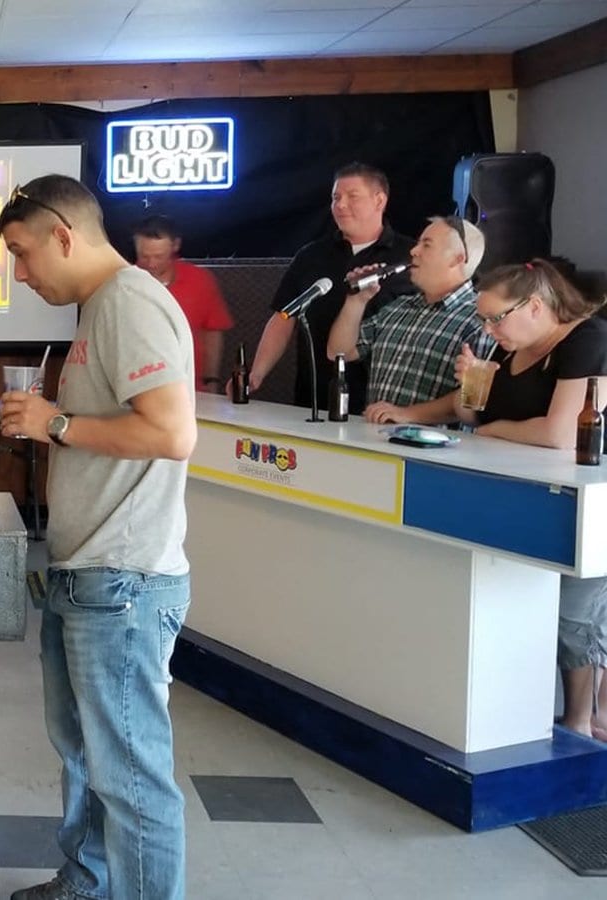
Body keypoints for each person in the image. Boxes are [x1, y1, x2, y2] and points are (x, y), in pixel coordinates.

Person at [0, 176, 195, 900]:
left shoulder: (130, 304)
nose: (20, 274)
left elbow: (173, 433)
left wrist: (55, 424)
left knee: (132, 775)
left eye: (22, 254)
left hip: (124, 580)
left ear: (64, 236)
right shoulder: (100, 308)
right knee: (86, 755)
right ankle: (87, 882)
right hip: (90, 573)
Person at [358, 260, 607, 739]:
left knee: (578, 611)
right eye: (484, 320)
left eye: (496, 318)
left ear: (536, 307)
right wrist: (424, 407)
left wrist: (494, 429)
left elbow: (559, 433)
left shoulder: (587, 340)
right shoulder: (508, 344)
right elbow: (469, 412)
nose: (489, 329)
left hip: (585, 501)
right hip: (530, 494)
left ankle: (583, 719)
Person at [249, 163, 413, 408]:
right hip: (315, 398)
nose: (341, 205)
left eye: (352, 196)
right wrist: (257, 373)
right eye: (336, 197)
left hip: (381, 405)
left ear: (379, 201)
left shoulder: (409, 257)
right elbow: (284, 316)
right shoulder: (311, 256)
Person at [328, 216, 494, 416]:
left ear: (457, 258)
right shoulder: (399, 308)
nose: (413, 251)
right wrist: (356, 301)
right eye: (418, 244)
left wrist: (407, 414)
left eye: (427, 245)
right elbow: (338, 352)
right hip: (372, 440)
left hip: (435, 445)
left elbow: (475, 401)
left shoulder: (481, 320)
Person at [133, 215, 233, 391]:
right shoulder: (125, 282)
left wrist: (211, 379)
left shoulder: (200, 280)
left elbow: (212, 333)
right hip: (137, 387)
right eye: (144, 256)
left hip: (191, 386)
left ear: (175, 245)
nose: (151, 263)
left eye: (158, 256)